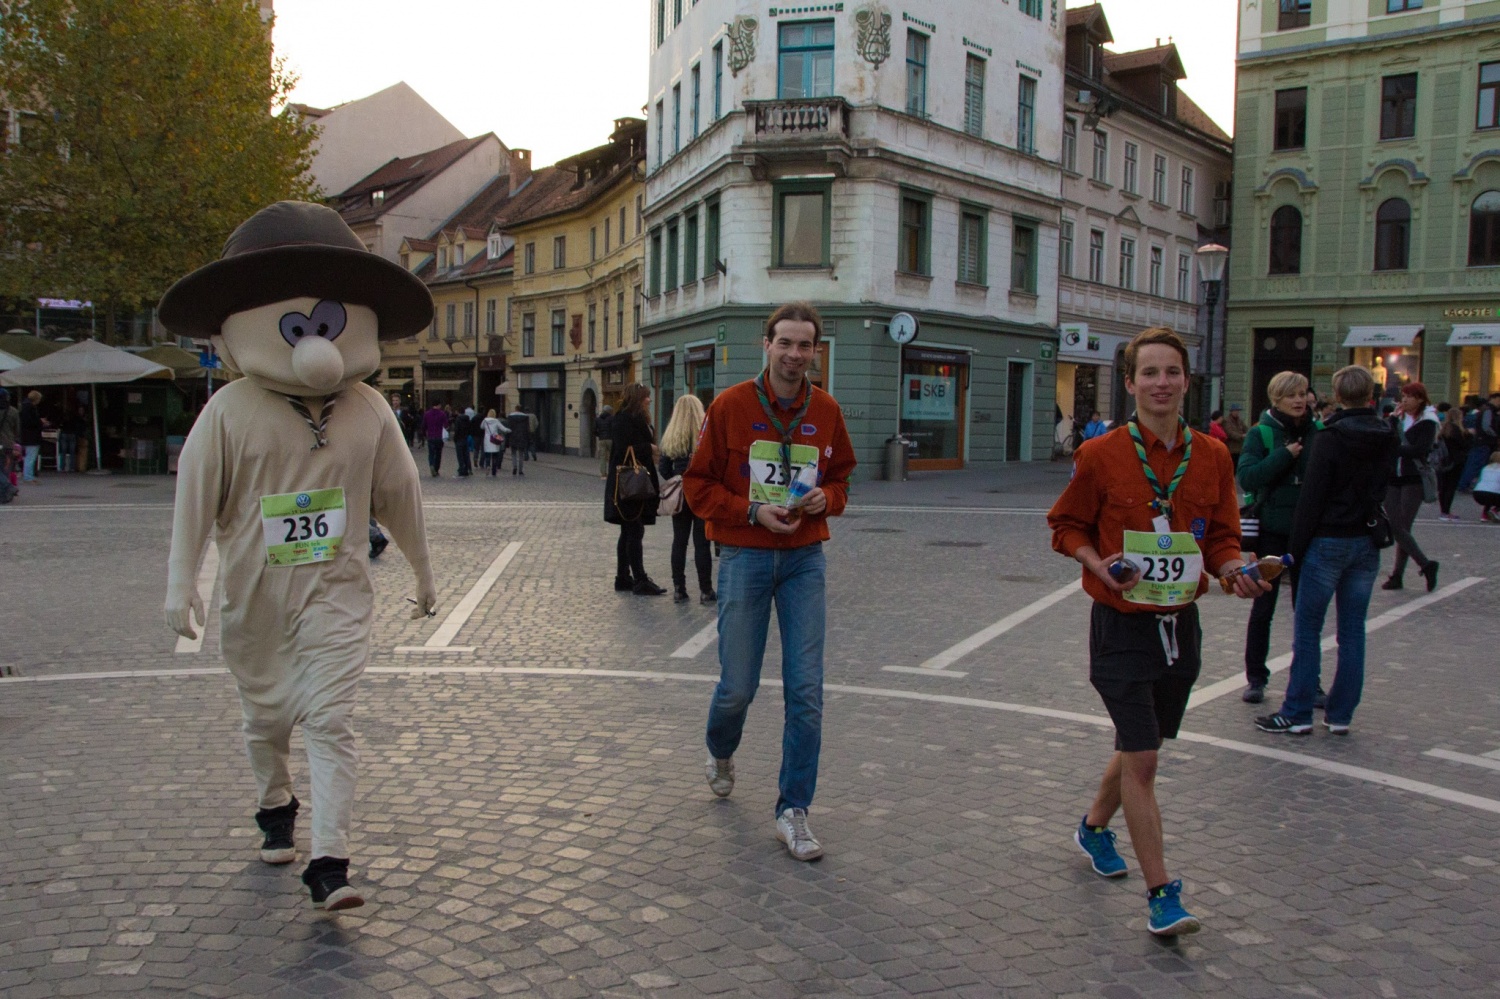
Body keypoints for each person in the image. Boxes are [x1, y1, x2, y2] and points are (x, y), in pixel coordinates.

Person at [159, 200, 437, 912]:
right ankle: (274, 800)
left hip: (336, 592)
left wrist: (424, 570)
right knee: (266, 719)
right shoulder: (227, 412)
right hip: (254, 599)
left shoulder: (370, 409)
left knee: (330, 717)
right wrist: (179, 583)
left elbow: (399, 492)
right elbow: (193, 498)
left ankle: (330, 860)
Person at [1048, 326, 1266, 937]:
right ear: (1130, 383)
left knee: (1141, 744)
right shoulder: (1101, 455)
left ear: (1186, 381)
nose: (1161, 383)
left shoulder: (1215, 456)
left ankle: (1093, 828)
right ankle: (1162, 895)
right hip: (1120, 626)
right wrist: (1100, 565)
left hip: (1181, 627)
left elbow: (1222, 536)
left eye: (1171, 372)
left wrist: (1234, 569)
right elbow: (1066, 526)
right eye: (1149, 373)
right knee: (1142, 758)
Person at [685, 301, 857, 863]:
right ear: (767, 345)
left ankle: (793, 809)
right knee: (737, 686)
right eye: (785, 342)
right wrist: (751, 513)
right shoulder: (731, 405)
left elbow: (841, 480)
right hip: (745, 555)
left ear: (815, 351)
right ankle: (720, 747)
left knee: (806, 689)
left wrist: (823, 499)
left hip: (805, 558)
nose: (794, 354)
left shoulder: (827, 410)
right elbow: (697, 485)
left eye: (805, 345)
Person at [1255, 365, 1398, 736]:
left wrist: (1295, 551)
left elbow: (1312, 498)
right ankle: (1340, 714)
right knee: (1352, 632)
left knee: (1308, 630)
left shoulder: (1331, 437)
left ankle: (1298, 711)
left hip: (1327, 539)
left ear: (1336, 395)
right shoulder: (1386, 433)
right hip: (1365, 541)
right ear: (1371, 394)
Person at [1236, 371, 1320, 704]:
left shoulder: (1318, 431)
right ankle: (1256, 677)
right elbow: (1247, 477)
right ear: (1276, 399)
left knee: (1308, 610)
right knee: (1263, 607)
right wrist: (1285, 455)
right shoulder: (1261, 434)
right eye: (1291, 395)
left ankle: (1309, 681)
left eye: (1302, 394)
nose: (1299, 400)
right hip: (1271, 532)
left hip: (1309, 532)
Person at [605, 383, 665, 595]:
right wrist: (647, 448)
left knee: (629, 530)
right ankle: (639, 579)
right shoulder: (624, 418)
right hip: (629, 485)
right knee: (634, 530)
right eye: (646, 397)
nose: (649, 400)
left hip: (633, 484)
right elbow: (623, 450)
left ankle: (623, 577)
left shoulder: (633, 417)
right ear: (637, 398)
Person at [1382, 382, 1439, 592]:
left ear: (1420, 399)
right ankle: (1425, 565)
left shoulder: (1428, 421)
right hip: (1393, 476)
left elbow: (1420, 449)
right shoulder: (1398, 418)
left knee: (1402, 528)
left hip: (1412, 477)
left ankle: (1397, 575)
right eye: (1403, 396)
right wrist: (1393, 421)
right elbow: (1385, 439)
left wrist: (1397, 450)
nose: (1404, 400)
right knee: (1395, 526)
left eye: (1409, 397)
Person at [659, 394, 714, 604]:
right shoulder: (705, 433)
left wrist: (676, 479)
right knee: (702, 543)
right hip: (701, 493)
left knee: (679, 541)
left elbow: (663, 468)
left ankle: (679, 589)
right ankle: (706, 590)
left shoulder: (672, 434)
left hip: (680, 496)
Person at [1457, 391, 1499, 493]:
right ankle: (1464, 485)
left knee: (1474, 463)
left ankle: (1464, 484)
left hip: (1481, 441)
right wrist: (1495, 435)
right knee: (1475, 464)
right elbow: (1486, 427)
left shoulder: (1485, 409)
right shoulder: (1488, 410)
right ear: (1496, 399)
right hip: (1483, 442)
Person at [1436, 404, 1469, 521]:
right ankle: (1446, 511)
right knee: (1451, 486)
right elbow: (1464, 445)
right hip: (1456, 461)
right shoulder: (1457, 430)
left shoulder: (1444, 429)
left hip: (1444, 460)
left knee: (1443, 487)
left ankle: (1443, 511)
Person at [19, 390, 44, 482]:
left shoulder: (24, 407)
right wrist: (40, 422)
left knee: (28, 457)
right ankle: (28, 476)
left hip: (26, 435)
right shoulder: (31, 408)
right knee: (31, 457)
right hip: (32, 436)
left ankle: (27, 475)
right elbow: (31, 422)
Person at [480, 408, 508, 476]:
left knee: (487, 455)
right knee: (495, 456)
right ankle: (494, 471)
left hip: (487, 439)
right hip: (495, 439)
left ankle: (487, 466)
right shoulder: (496, 421)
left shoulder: (485, 420)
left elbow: (481, 427)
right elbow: (502, 428)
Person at [422, 402, 447, 477]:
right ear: (439, 405)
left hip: (430, 436)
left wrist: (424, 434)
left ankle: (431, 464)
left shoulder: (427, 414)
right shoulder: (442, 414)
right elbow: (446, 424)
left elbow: (423, 425)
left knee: (431, 453)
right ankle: (436, 469)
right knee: (438, 454)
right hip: (439, 436)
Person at [0, 388, 18, 491]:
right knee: (7, 467)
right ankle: (5, 490)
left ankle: (7, 487)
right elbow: (17, 429)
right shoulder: (13, 411)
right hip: (8, 444)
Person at [1474, 450, 1500, 521]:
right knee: (1492, 493)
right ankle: (1495, 510)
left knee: (1489, 497)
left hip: (1478, 493)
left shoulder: (1486, 468)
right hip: (1493, 494)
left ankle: (1484, 515)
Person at [505, 406, 530, 475]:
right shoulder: (525, 417)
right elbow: (527, 428)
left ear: (515, 409)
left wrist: (507, 438)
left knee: (513, 453)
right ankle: (520, 470)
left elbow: (508, 428)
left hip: (513, 436)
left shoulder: (510, 417)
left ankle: (515, 466)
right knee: (521, 454)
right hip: (522, 437)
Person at [451, 407, 473, 477]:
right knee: (466, 455)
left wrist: (455, 438)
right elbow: (470, 428)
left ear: (458, 412)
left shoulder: (458, 419)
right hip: (465, 438)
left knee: (460, 456)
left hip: (459, 439)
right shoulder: (467, 419)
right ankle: (466, 469)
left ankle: (461, 470)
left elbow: (457, 430)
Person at [596, 405, 615, 478]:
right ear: (609, 411)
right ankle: (611, 472)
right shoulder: (612, 418)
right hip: (610, 439)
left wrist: (600, 435)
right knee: (612, 456)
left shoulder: (598, 419)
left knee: (602, 457)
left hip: (601, 439)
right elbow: (614, 428)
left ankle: (603, 474)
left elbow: (594, 430)